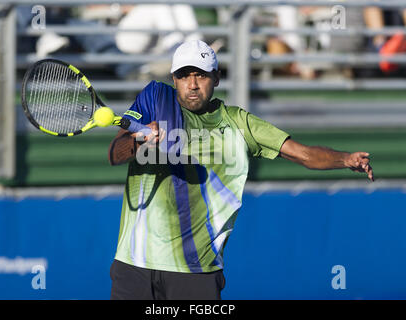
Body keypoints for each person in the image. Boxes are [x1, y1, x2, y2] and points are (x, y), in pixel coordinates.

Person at [108, 40, 374, 300]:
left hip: (195, 270)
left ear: (217, 78)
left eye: (200, 76)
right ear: (173, 79)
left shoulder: (237, 123)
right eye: (183, 76)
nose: (192, 85)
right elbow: (114, 153)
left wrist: (345, 159)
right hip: (134, 265)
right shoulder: (155, 99)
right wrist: (137, 142)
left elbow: (302, 154)